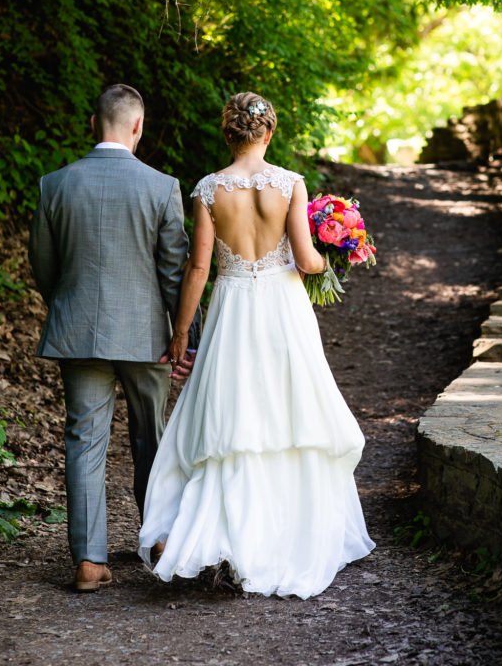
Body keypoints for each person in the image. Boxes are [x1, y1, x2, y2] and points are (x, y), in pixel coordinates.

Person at [138, 91, 374, 598]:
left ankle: (224, 539)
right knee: (290, 414)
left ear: (228, 134)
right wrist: (337, 248)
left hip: (232, 309)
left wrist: (181, 333)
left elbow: (198, 268)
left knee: (234, 418)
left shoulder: (207, 189)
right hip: (283, 310)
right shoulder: (290, 184)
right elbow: (307, 261)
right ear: (268, 133)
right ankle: (287, 537)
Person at [29, 84, 199, 592]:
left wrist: (67, 303)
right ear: (137, 127)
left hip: (78, 331)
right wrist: (182, 335)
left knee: (84, 441)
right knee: (153, 435)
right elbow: (175, 269)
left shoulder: (55, 185)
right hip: (147, 337)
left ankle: (88, 559)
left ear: (92, 124)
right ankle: (161, 541)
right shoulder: (160, 186)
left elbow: (43, 265)